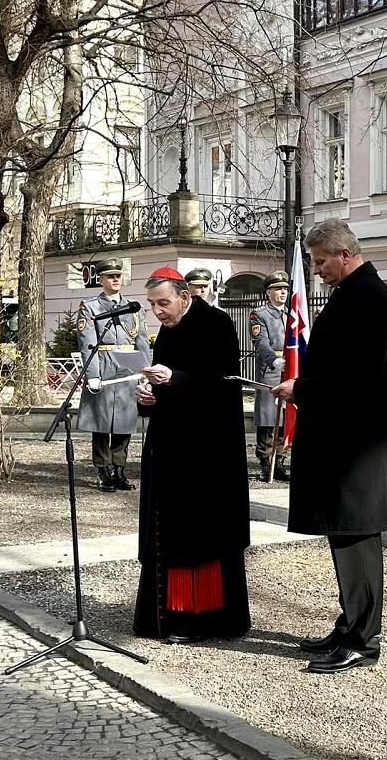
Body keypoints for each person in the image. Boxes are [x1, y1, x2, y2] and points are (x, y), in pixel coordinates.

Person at [272, 220, 387, 674]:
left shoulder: (369, 297)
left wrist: (301, 388)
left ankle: (364, 640)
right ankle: (349, 625)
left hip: (357, 446)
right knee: (344, 536)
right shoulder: (352, 292)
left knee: (356, 538)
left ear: (345, 254)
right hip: (343, 441)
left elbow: (359, 376)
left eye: (321, 261)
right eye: (314, 261)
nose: (317, 269)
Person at [133, 268, 251, 643]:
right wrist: (147, 397)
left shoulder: (215, 324)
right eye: (152, 305)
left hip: (207, 453)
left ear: (184, 296)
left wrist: (175, 379)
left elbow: (224, 384)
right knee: (169, 533)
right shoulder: (168, 330)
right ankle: (165, 615)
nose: (158, 311)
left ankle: (201, 617)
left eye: (163, 303)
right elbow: (163, 386)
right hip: (170, 446)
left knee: (199, 538)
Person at [76, 257, 151, 493]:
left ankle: (119, 468)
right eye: (110, 276)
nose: (115, 279)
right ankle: (103, 469)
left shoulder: (134, 307)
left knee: (125, 420)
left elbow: (142, 342)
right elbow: (88, 343)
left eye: (118, 275)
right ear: (101, 279)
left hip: (128, 368)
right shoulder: (90, 307)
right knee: (101, 420)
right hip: (104, 366)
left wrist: (145, 370)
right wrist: (92, 374)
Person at [250, 271, 290, 482]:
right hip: (271, 369)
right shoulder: (259, 314)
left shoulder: (291, 314)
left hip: (290, 369)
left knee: (286, 415)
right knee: (267, 417)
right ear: (268, 292)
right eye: (278, 289)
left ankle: (280, 460)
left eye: (285, 289)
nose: (283, 292)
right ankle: (266, 461)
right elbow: (261, 342)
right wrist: (273, 360)